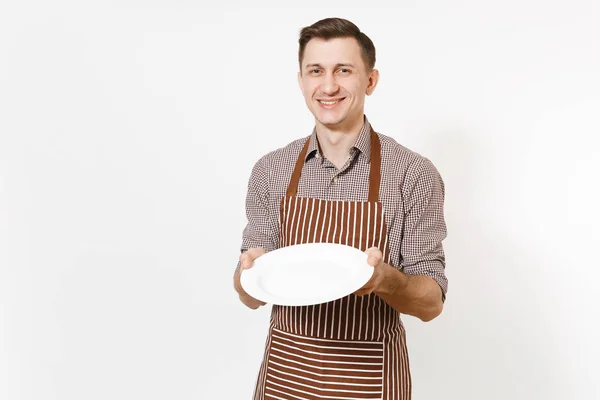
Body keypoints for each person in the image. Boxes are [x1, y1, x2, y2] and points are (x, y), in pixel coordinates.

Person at [233, 17, 448, 400]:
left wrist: (383, 279)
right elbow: (250, 296)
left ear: (370, 80)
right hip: (286, 379)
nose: (328, 86)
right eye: (316, 71)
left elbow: (431, 304)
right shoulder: (271, 170)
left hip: (370, 383)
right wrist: (246, 274)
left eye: (343, 70)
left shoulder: (413, 174)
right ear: (301, 81)